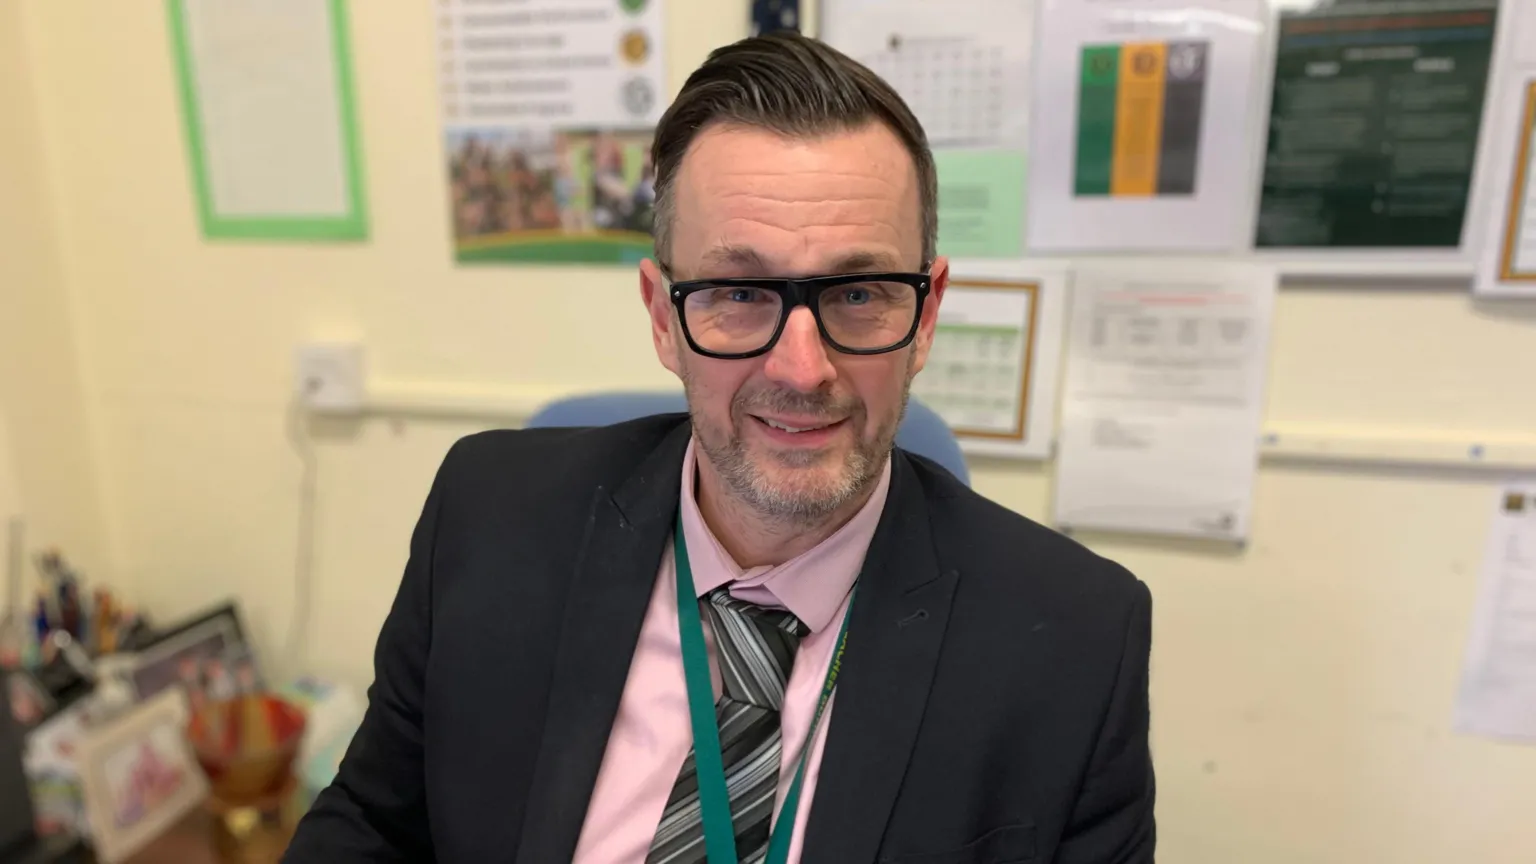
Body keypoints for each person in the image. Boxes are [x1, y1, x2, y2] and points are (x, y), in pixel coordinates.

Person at [284, 31, 1154, 864]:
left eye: (858, 293)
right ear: (664, 318)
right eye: (739, 292)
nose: (802, 369)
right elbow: (373, 826)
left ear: (924, 316)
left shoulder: (1076, 639)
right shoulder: (487, 519)